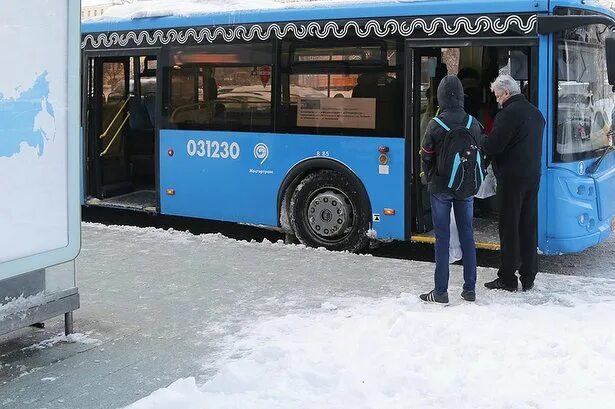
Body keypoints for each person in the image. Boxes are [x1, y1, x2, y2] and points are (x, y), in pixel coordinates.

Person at [419, 75, 483, 304]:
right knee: (467, 235)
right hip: (466, 187)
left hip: (440, 187)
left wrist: (428, 176)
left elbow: (426, 155)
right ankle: (470, 289)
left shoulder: (436, 124)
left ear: (441, 97)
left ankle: (440, 292)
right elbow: (481, 151)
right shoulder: (472, 123)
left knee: (443, 237)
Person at [481, 75, 545, 292]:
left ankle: (507, 277)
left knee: (509, 227)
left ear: (506, 93)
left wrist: (480, 138)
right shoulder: (536, 113)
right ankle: (528, 275)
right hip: (533, 176)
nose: (498, 100)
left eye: (498, 96)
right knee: (528, 225)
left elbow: (494, 145)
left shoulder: (507, 114)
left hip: (511, 179)